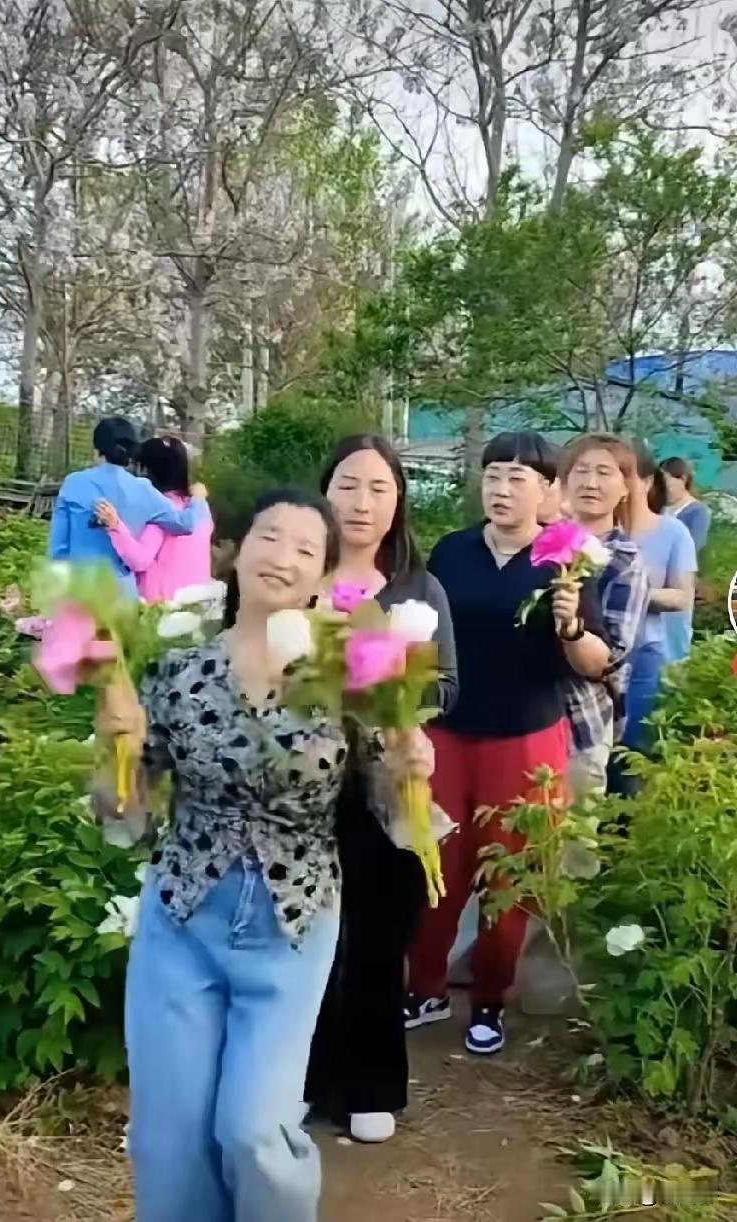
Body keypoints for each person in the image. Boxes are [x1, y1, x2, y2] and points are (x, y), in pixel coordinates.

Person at [97, 487, 434, 1222]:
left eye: (305, 548)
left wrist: (409, 762)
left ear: (323, 576)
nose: (283, 557)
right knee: (170, 1137)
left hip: (293, 923)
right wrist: (116, 750)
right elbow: (126, 818)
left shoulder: (348, 676)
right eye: (269, 537)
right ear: (235, 550)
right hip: (182, 919)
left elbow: (394, 813)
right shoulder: (179, 672)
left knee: (254, 1132)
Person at [406, 431, 610, 1056]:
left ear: (547, 490)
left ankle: (490, 1001)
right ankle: (426, 986)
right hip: (448, 733)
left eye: (518, 478)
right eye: (493, 475)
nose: (501, 489)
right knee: (435, 864)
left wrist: (571, 627)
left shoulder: (566, 562)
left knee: (508, 874)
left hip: (525, 739)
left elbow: (596, 662)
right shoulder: (452, 552)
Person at [305, 435, 457, 1145]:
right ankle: (302, 1080)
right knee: (306, 939)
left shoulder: (418, 590)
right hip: (299, 789)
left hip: (388, 784)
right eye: (347, 485)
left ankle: (370, 1087)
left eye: (379, 488)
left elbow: (447, 685)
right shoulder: (298, 573)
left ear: (399, 502)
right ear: (324, 492)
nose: (361, 503)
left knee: (375, 937)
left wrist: (400, 700)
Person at [560, 435, 650, 798]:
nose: (590, 482)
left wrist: (571, 628)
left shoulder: (624, 562)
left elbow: (610, 661)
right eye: (581, 471)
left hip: (580, 725)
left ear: (626, 488)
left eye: (604, 472)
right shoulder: (542, 543)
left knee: (571, 831)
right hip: (518, 719)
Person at [48, 418, 206, 596]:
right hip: (121, 595)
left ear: (96, 449)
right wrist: (198, 499)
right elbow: (185, 525)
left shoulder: (73, 483)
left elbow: (59, 549)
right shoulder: (143, 490)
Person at [620, 445, 697, 752]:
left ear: (647, 481)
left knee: (634, 751)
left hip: (648, 657)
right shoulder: (594, 531)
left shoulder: (673, 532)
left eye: (624, 475)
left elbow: (682, 597)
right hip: (591, 659)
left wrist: (630, 593)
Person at [95, 435, 213, 602]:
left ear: (147, 471)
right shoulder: (200, 506)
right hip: (197, 601)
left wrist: (115, 526)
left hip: (162, 606)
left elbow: (139, 560)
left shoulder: (158, 511)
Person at [660, 456, 711, 664]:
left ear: (683, 479)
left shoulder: (697, 511)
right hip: (657, 579)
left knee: (675, 636)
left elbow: (693, 546)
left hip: (679, 580)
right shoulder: (661, 508)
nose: (664, 489)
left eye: (668, 483)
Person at [660, 457, 712, 552]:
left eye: (666, 485)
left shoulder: (698, 512)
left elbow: (693, 548)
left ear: (683, 479)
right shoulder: (659, 506)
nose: (662, 489)